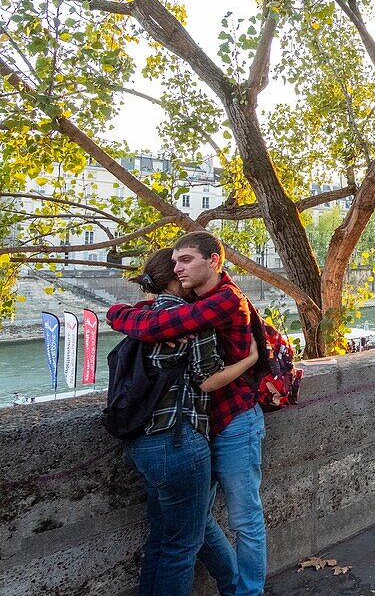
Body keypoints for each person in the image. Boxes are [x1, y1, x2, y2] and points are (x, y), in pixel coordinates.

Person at [108, 232, 268, 596]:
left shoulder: (223, 300)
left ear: (213, 261)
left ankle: (246, 592)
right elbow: (153, 324)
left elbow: (160, 331)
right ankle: (232, 585)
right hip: (191, 432)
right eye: (176, 262)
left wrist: (117, 312)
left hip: (233, 419)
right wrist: (250, 359)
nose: (180, 268)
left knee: (238, 521)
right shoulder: (186, 310)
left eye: (187, 260)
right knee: (188, 532)